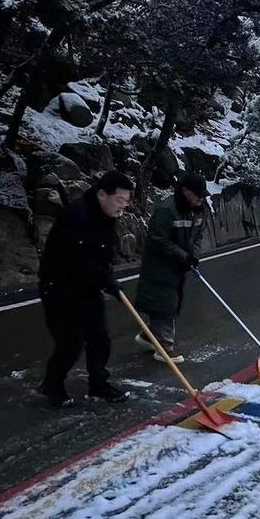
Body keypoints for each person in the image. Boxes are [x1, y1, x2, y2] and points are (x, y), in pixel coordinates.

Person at [37, 170, 133, 408]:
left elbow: (102, 256)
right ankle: (52, 384)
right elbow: (76, 260)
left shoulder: (106, 218)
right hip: (60, 287)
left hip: (88, 287)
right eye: (119, 200)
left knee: (99, 338)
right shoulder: (76, 216)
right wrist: (106, 280)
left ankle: (99, 385)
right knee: (70, 342)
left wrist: (107, 277)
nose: (123, 207)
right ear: (102, 194)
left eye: (126, 201)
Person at [133, 172, 209, 363]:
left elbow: (198, 236)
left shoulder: (198, 210)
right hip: (160, 265)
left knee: (173, 302)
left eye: (202, 194)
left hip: (179, 264)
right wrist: (183, 256)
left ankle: (148, 336)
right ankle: (165, 347)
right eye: (197, 193)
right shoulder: (167, 210)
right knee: (165, 303)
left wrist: (193, 256)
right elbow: (158, 240)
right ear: (184, 191)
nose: (200, 198)